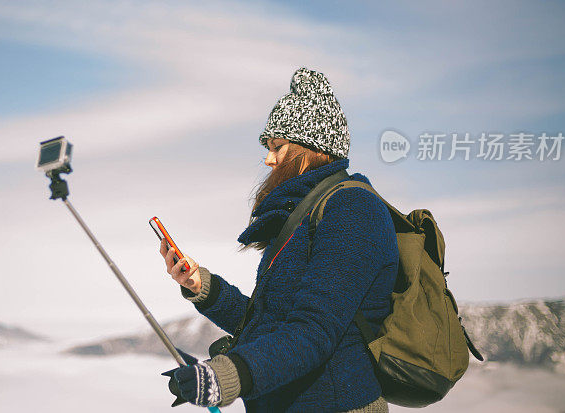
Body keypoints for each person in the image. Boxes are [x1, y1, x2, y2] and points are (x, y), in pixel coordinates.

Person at [159, 67, 398, 412]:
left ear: (310, 148)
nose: (268, 159)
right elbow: (269, 323)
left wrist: (227, 375)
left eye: (277, 146)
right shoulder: (303, 215)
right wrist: (204, 288)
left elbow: (314, 332)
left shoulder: (352, 210)